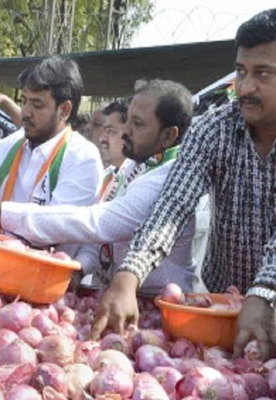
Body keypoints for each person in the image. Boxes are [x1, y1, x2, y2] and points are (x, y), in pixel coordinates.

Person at [90, 8, 276, 361]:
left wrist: (264, 290)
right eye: (241, 71)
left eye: (263, 73)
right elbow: (173, 206)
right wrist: (129, 275)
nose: (246, 87)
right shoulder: (214, 129)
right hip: (224, 310)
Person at [0, 79, 196, 294]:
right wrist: (80, 269)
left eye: (137, 124)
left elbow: (98, 223)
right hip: (120, 297)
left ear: (168, 136)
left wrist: (0, 211)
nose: (125, 130)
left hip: (159, 305)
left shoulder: (167, 181)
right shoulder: (134, 166)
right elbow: (103, 241)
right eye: (128, 121)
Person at [0, 56, 103, 256]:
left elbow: (53, 226)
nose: (26, 113)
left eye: (37, 105)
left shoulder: (83, 158)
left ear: (64, 110)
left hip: (44, 279)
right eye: (24, 101)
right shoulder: (17, 142)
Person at [98, 100, 128, 170]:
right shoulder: (108, 175)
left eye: (110, 131)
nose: (101, 138)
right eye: (104, 131)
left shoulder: (148, 177)